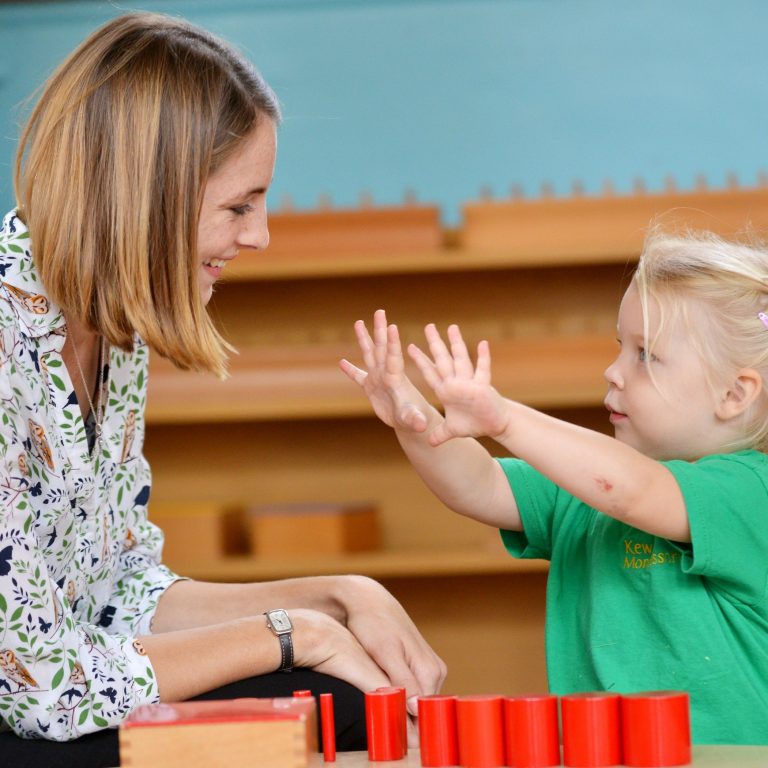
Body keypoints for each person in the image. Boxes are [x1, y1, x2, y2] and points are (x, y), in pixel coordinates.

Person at [0, 12, 445, 767]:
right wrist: (292, 630)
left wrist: (337, 595)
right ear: (149, 197)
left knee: (334, 701)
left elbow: (121, 593)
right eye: (240, 206)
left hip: (58, 691)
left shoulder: (114, 333)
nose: (261, 235)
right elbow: (38, 687)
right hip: (29, 706)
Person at [341, 229, 768, 745]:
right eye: (619, 347)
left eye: (645, 355)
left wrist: (502, 418)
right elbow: (480, 485)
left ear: (734, 394)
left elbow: (634, 492)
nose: (612, 372)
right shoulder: (583, 486)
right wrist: (413, 421)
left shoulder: (749, 491)